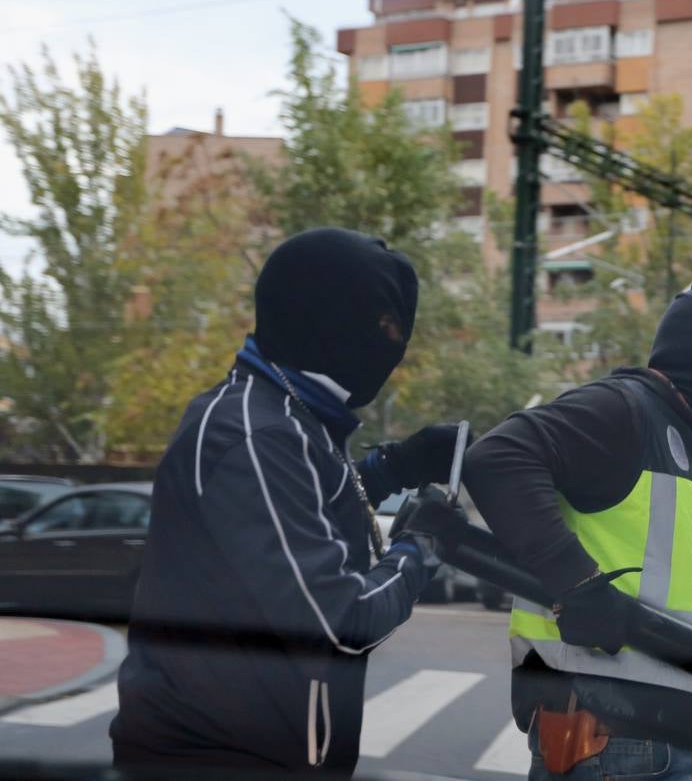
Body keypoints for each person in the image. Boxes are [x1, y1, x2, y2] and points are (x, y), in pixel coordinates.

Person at [111, 227, 466, 775]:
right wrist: (419, 549)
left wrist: (395, 466)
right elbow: (340, 622)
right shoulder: (256, 435)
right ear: (321, 316)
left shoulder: (286, 417)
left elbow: (300, 513)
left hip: (265, 753)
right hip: (214, 760)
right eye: (383, 327)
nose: (393, 346)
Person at [463, 286, 692, 781]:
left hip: (673, 748)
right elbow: (496, 459)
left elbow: (677, 580)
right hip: (609, 747)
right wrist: (577, 586)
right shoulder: (623, 411)